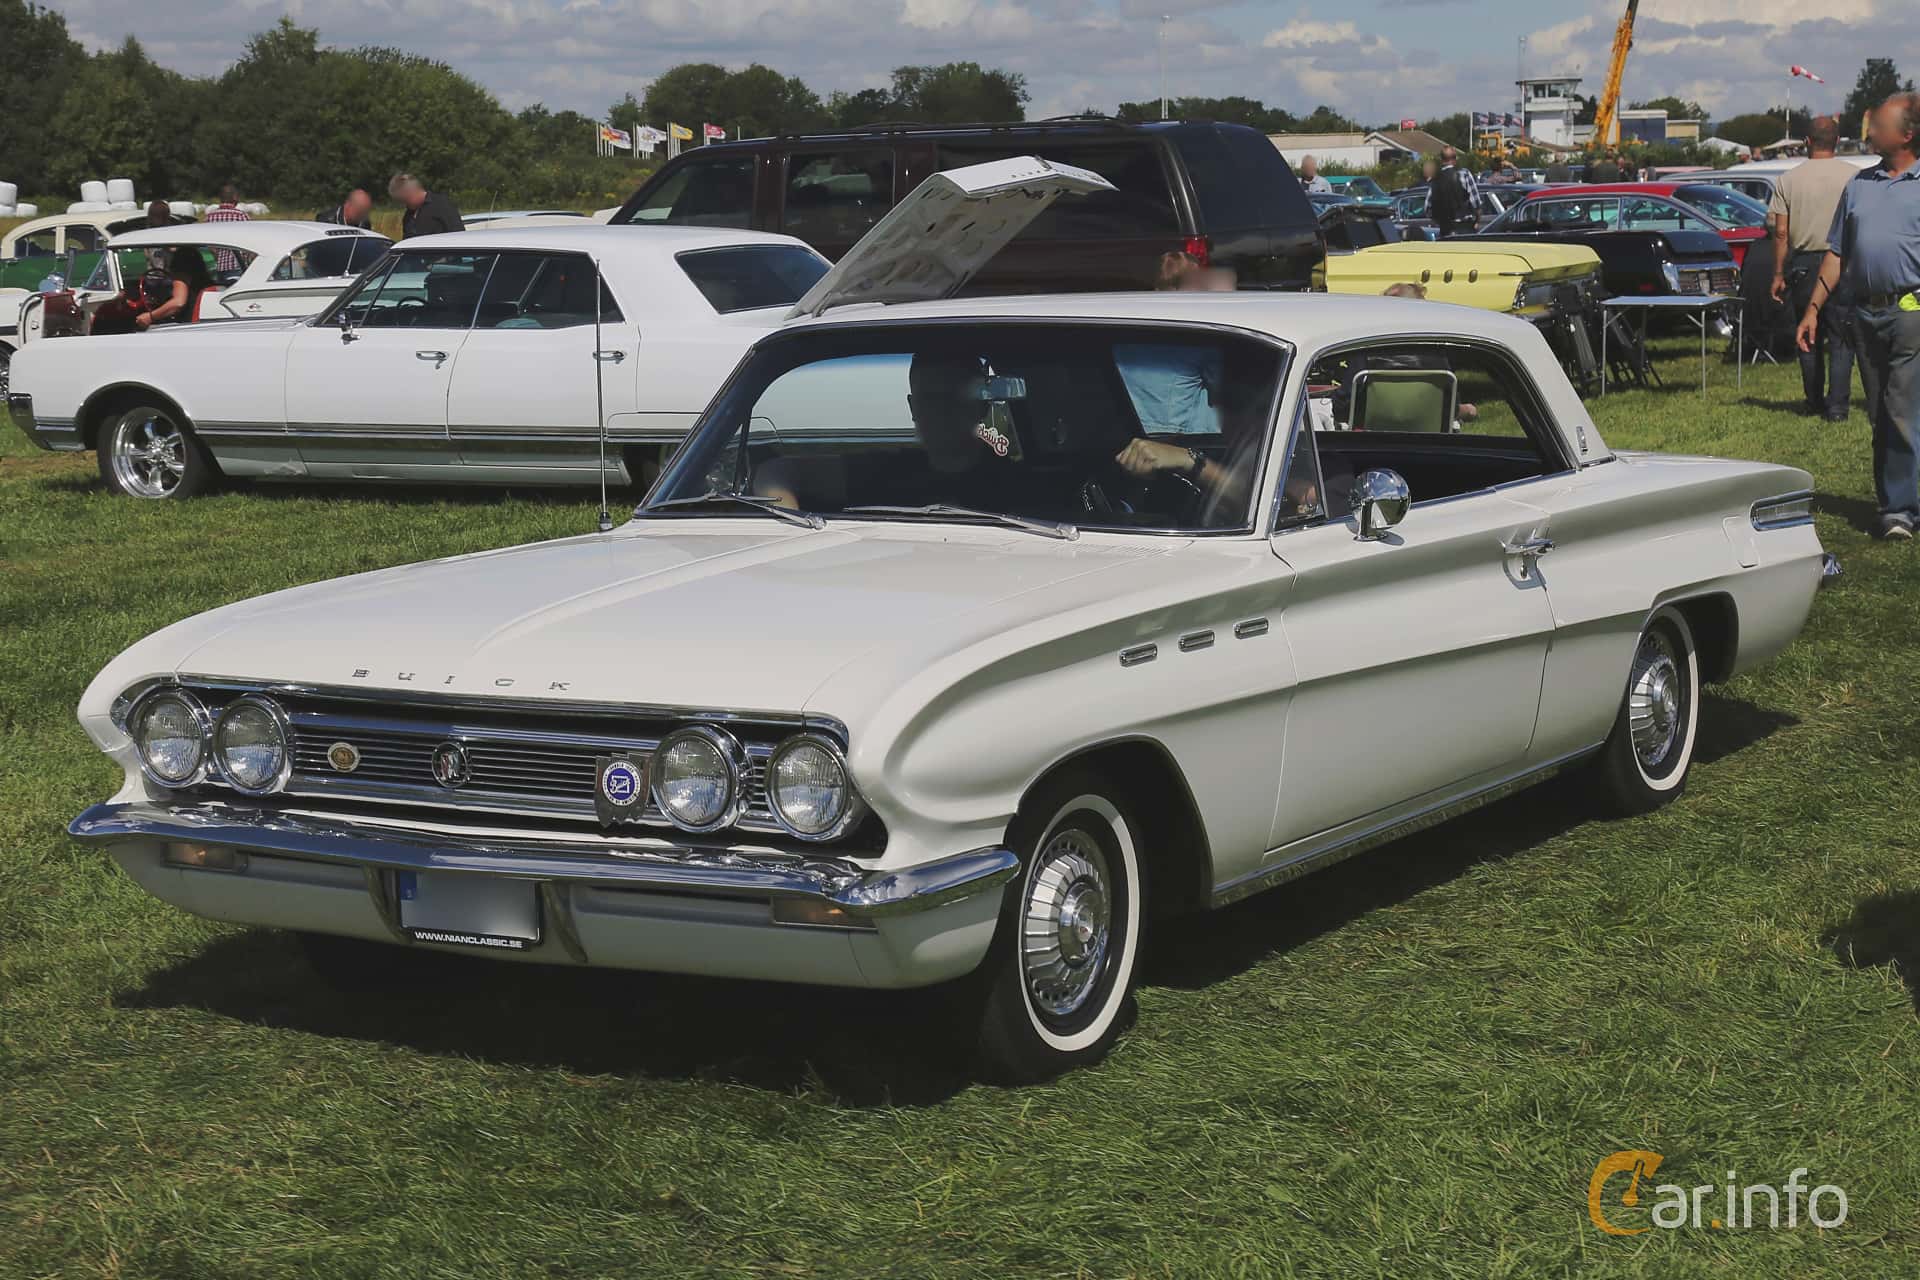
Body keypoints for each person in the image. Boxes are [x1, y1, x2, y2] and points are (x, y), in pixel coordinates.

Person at [1796, 92, 1920, 541]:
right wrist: (1812, 309)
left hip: (1911, 309)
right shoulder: (1859, 185)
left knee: (1899, 409)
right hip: (1863, 313)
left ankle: (1898, 510)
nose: (1868, 134)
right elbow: (1836, 251)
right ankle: (1897, 499)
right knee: (1881, 415)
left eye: (1878, 126)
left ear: (1906, 134)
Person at [1769, 115, 1859, 421]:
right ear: (1837, 141)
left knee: (1807, 334)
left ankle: (1813, 400)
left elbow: (1781, 233)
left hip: (1805, 262)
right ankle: (1838, 407)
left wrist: (1778, 273)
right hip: (1843, 262)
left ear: (1807, 142)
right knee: (1841, 337)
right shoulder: (1855, 177)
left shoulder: (1788, 180)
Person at [135, 246, 215, 328]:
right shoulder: (202, 278)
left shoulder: (181, 261)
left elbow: (178, 303)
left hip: (189, 325)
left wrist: (150, 316)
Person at [1428, 146, 1480, 238]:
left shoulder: (1435, 179)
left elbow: (1428, 208)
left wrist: (1440, 221)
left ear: (1441, 159)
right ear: (1455, 159)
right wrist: (1477, 221)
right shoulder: (1464, 174)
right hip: (1465, 227)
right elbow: (1476, 203)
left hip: (1445, 229)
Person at [390, 173, 463, 238]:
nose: (404, 205)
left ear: (412, 192)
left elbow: (459, 235)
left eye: (405, 200)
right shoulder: (408, 215)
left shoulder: (442, 205)